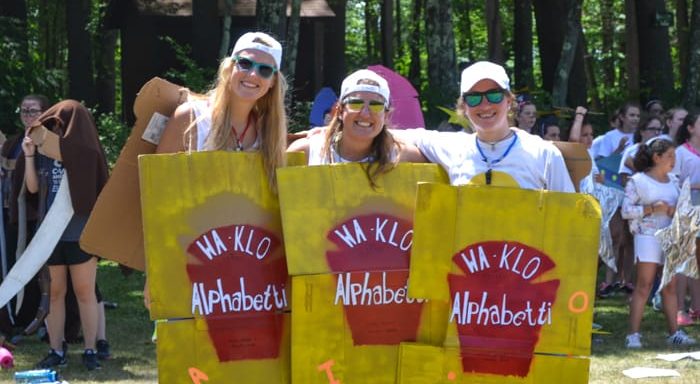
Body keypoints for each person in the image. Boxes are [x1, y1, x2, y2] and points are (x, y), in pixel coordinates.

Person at [144, 32, 288, 307]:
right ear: (229, 68)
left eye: (264, 69)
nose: (253, 74)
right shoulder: (191, 118)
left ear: (272, 83)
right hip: (189, 264)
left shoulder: (270, 136)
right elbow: (157, 199)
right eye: (245, 63)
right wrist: (155, 269)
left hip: (249, 274)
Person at [21, 100, 109, 370]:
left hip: (79, 232)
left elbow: (100, 188)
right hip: (50, 234)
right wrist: (28, 155)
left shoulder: (86, 152)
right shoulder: (44, 150)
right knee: (55, 293)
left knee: (84, 292)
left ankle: (91, 349)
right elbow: (33, 189)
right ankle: (56, 350)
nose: (56, 127)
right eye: (53, 123)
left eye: (62, 123)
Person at [408, 61, 574, 192]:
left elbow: (570, 218)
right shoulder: (454, 148)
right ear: (464, 106)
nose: (485, 105)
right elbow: (399, 136)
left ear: (509, 101)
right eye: (474, 98)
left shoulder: (544, 154)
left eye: (494, 95)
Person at [622, 138, 695, 348]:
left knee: (670, 286)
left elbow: (684, 209)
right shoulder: (638, 181)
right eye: (670, 156)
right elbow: (626, 211)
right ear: (657, 157)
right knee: (644, 284)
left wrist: (673, 211)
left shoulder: (674, 181)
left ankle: (674, 332)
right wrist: (651, 209)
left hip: (670, 237)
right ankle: (633, 334)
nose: (674, 160)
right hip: (647, 236)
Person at [287, 69, 424, 181]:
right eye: (356, 103)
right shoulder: (306, 153)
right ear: (340, 111)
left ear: (386, 115)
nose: (365, 113)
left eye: (376, 105)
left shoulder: (404, 156)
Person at [672, 112, 700, 324]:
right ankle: (679, 309)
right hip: (686, 211)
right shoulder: (680, 153)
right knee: (684, 260)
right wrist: (693, 186)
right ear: (690, 128)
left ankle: (696, 307)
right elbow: (672, 182)